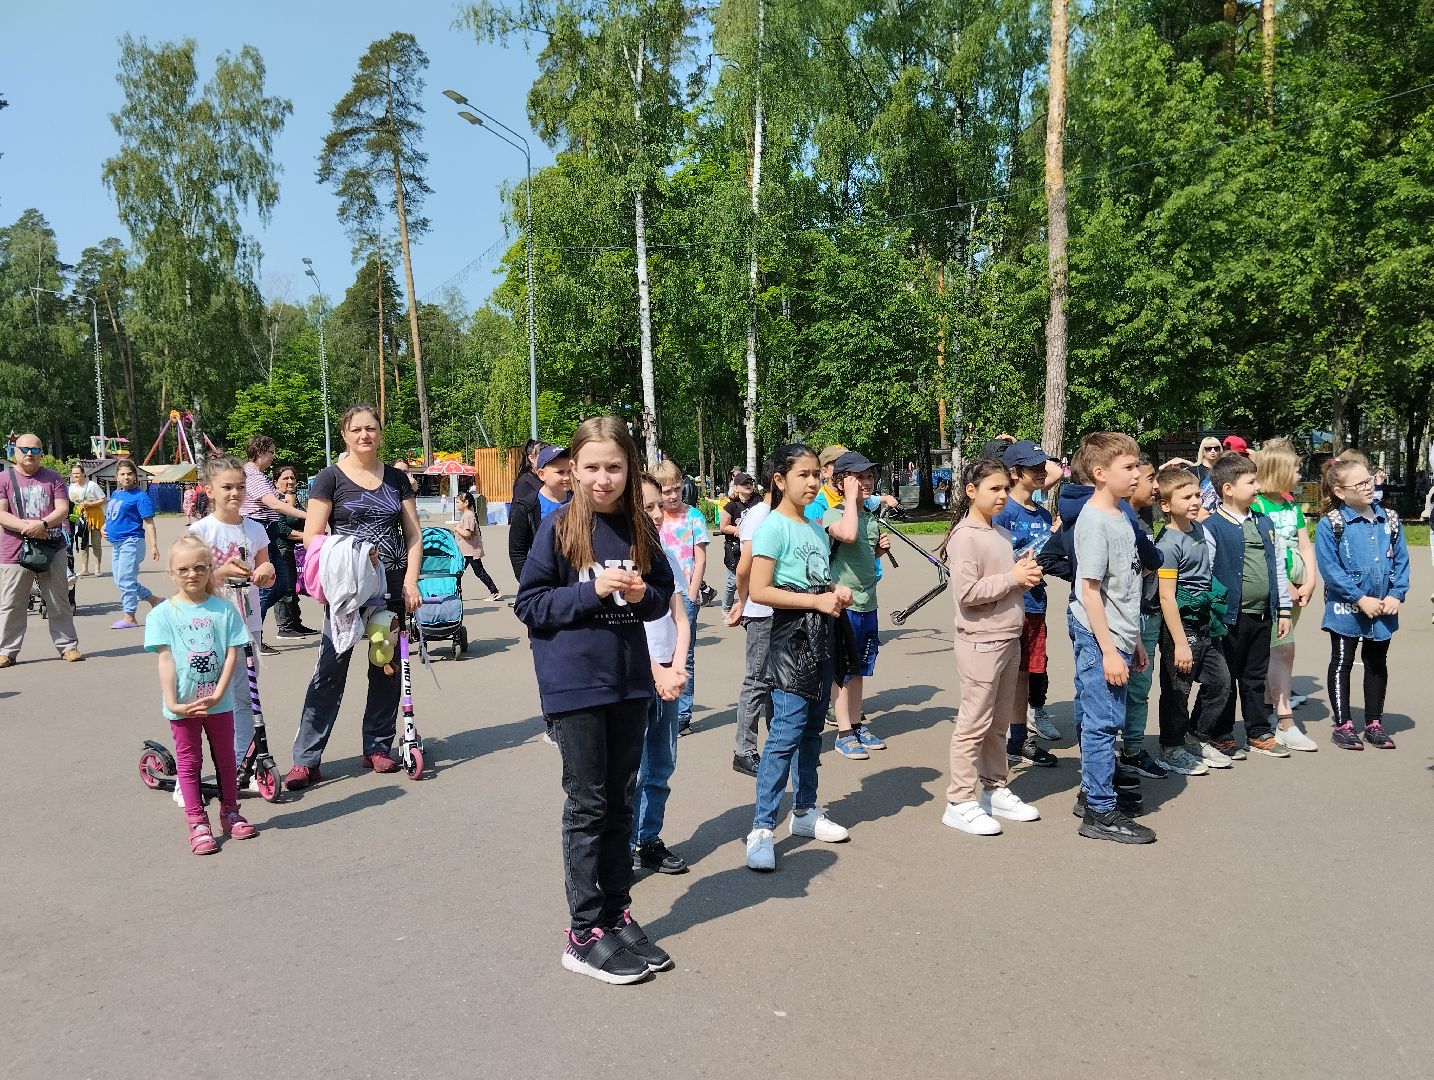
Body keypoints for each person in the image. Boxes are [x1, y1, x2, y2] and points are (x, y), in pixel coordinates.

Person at [512, 416, 677, 985]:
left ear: (630, 470)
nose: (602, 479)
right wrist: (591, 591)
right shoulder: (556, 529)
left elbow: (663, 599)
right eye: (591, 468)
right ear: (573, 472)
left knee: (622, 802)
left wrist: (641, 592)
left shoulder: (637, 528)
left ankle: (615, 912)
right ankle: (583, 933)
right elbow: (530, 605)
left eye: (614, 467)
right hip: (575, 685)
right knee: (588, 805)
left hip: (630, 683)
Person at [284, 406, 422, 791]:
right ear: (344, 434)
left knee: (386, 665)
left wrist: (410, 582)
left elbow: (414, 536)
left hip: (391, 586)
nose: (365, 435)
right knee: (330, 669)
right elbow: (312, 535)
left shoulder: (397, 480)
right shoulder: (329, 478)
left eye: (372, 428)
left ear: (381, 432)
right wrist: (358, 551)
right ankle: (307, 759)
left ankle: (377, 747)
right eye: (357, 429)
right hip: (347, 589)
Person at [744, 444, 853, 873]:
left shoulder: (812, 526)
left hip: (821, 637)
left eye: (815, 475)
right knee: (784, 734)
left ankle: (805, 812)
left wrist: (834, 595)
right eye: (803, 475)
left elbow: (818, 580)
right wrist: (815, 602)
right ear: (779, 480)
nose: (812, 482)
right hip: (791, 640)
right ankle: (761, 830)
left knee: (811, 732)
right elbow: (759, 590)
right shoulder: (773, 527)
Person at [939, 459, 1044, 836]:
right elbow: (968, 594)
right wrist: (1013, 577)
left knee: (997, 724)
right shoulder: (965, 536)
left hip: (1008, 638)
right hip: (980, 643)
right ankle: (959, 800)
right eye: (993, 489)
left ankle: (994, 788)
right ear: (971, 491)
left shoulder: (999, 532)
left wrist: (1023, 578)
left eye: (1004, 488)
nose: (1002, 495)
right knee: (973, 724)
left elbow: (1000, 583)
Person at [1067, 432, 1156, 844]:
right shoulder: (1095, 521)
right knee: (1102, 725)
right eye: (1129, 467)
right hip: (1099, 638)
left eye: (1137, 465)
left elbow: (1124, 588)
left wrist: (1133, 640)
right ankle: (1100, 813)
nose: (1137, 473)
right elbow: (1090, 591)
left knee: (1106, 722)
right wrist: (1108, 651)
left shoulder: (1122, 515)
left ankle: (1095, 794)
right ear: (1101, 474)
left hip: (1120, 634)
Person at [144, 534, 257, 854]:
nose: (192, 574)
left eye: (199, 567)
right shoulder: (162, 614)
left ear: (210, 569)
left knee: (225, 760)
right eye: (183, 569)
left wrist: (221, 691)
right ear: (171, 574)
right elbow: (165, 660)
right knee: (189, 763)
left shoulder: (223, 610)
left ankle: (230, 812)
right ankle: (196, 822)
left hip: (220, 703)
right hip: (183, 706)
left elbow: (233, 653)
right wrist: (172, 702)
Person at [1201, 451, 1293, 761]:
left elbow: (1277, 567)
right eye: (1250, 482)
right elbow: (1207, 572)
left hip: (1262, 615)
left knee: (1255, 676)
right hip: (1228, 618)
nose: (1257, 487)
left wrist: (1282, 610)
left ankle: (1257, 731)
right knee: (1226, 678)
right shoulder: (1213, 526)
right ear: (1227, 488)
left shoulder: (1264, 523)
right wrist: (1213, 614)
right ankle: (1221, 733)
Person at [1315, 458, 1409, 750]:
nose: (1369, 487)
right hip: (1346, 608)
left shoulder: (1390, 519)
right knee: (1343, 661)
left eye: (1370, 480)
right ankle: (1343, 724)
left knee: (1376, 662)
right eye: (1361, 484)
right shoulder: (1332, 523)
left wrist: (1396, 593)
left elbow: (1402, 562)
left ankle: (1374, 723)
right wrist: (1359, 597)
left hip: (1382, 606)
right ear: (1340, 492)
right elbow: (1330, 569)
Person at [189, 455, 276, 767]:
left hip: (245, 622)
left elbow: (266, 564)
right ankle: (193, 767)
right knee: (205, 699)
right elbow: (188, 581)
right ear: (210, 490)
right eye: (226, 487)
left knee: (244, 697)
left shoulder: (255, 529)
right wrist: (221, 572)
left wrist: (265, 569)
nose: (234, 493)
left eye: (240, 487)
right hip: (206, 627)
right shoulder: (200, 531)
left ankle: (241, 763)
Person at [630, 474, 692, 876]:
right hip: (634, 675)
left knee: (662, 762)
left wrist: (678, 665)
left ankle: (648, 838)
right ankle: (623, 843)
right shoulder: (618, 559)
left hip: (668, 674)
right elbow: (626, 626)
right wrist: (657, 671)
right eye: (647, 507)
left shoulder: (666, 557)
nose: (657, 514)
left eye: (658, 506)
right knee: (629, 768)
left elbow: (681, 617)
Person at [1151, 466, 1226, 775]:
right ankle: (1171, 746)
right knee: (1177, 690)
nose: (1196, 501)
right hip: (1182, 627)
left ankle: (1196, 736)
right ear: (1166, 505)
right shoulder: (1167, 544)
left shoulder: (1198, 530)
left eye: (1197, 494)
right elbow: (1167, 597)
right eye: (1187, 497)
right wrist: (1180, 643)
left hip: (1206, 622)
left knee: (1220, 682)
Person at [822, 449, 892, 759]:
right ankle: (843, 731)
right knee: (844, 672)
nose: (866, 482)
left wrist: (877, 552)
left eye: (869, 476)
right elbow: (847, 536)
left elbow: (862, 556)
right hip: (844, 607)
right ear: (840, 482)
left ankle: (857, 721)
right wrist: (849, 498)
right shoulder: (833, 514)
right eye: (858, 477)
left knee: (861, 668)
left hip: (868, 603)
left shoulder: (868, 517)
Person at [994, 440, 1061, 761]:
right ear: (1014, 473)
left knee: (1024, 673)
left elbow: (1047, 558)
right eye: (1032, 467)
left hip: (1035, 605)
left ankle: (1018, 739)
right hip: (1006, 607)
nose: (1040, 471)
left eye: (1041, 466)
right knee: (1002, 673)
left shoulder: (1045, 514)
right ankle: (994, 738)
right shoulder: (1003, 511)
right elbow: (991, 561)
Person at [1252, 442, 1319, 752]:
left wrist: (1310, 580)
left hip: (1296, 588)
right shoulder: (1258, 507)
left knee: (1279, 650)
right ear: (1278, 472)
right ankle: (1285, 720)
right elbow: (1266, 554)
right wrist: (1286, 588)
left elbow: (1305, 545)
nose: (1299, 474)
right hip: (1277, 590)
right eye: (1295, 469)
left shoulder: (1291, 504)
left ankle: (1269, 706)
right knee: (1283, 649)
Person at [0, 433, 83, 665]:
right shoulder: (4, 478)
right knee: (11, 603)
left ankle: (68, 646)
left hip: (52, 547)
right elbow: (2, 513)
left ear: (41, 453)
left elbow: (63, 509)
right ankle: (7, 651)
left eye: (35, 450)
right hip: (13, 550)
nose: (30, 454)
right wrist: (29, 527)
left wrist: (43, 524)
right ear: (14, 451)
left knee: (58, 599)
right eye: (25, 449)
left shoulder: (53, 478)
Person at [1118, 456, 1171, 780]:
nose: (1154, 486)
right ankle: (1104, 758)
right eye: (1149, 478)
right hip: (1122, 618)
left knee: (1139, 688)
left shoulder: (1145, 519)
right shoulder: (1116, 521)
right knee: (1110, 691)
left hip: (1147, 615)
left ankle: (1133, 749)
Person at [724, 454, 776, 778]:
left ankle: (777, 742)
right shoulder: (759, 516)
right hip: (761, 610)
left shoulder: (783, 514)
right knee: (757, 681)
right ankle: (743, 750)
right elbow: (744, 567)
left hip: (780, 608)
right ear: (779, 480)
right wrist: (743, 602)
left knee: (776, 680)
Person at [653, 457, 710, 737]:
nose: (672, 496)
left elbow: (700, 559)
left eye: (676, 489)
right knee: (658, 650)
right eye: (666, 491)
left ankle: (683, 713)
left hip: (684, 594)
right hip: (656, 596)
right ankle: (657, 700)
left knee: (683, 655)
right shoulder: (654, 516)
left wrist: (692, 591)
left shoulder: (693, 517)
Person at [241, 438, 310, 649]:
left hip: (265, 530)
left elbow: (278, 499)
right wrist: (311, 516)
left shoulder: (258, 476)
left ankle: (250, 631)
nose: (273, 457)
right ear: (260, 452)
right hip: (258, 528)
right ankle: (250, 636)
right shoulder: (252, 474)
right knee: (268, 587)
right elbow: (274, 505)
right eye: (271, 452)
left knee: (280, 585)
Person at [103, 459, 160, 630]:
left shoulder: (140, 497)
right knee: (120, 580)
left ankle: (130, 616)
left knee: (126, 579)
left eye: (130, 474)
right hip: (117, 543)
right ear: (117, 477)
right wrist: (105, 527)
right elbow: (112, 516)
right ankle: (154, 600)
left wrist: (154, 545)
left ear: (135, 476)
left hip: (132, 541)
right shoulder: (115, 495)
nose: (126, 477)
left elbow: (148, 522)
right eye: (122, 474)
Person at [509, 444, 573, 583]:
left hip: (575, 580)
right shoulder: (527, 506)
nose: (567, 477)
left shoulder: (580, 502)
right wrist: (527, 582)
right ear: (542, 474)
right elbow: (517, 551)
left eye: (570, 471)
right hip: (544, 579)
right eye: (560, 472)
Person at [269, 464, 313, 637]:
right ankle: (285, 627)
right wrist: (306, 536)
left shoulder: (297, 501)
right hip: (282, 549)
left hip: (297, 551)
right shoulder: (277, 502)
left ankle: (296, 623)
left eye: (292, 478)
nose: (289, 481)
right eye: (285, 478)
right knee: (284, 587)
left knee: (295, 587)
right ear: (275, 482)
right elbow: (281, 528)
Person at [718, 472, 760, 609]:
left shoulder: (758, 501)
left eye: (750, 482)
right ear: (736, 487)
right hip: (735, 549)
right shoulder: (731, 505)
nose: (748, 485)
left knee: (753, 579)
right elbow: (723, 527)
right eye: (744, 483)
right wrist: (738, 530)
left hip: (754, 546)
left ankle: (747, 607)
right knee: (732, 582)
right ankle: (726, 608)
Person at [454, 489, 503, 600]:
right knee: (458, 571)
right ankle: (456, 593)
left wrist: (457, 528)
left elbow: (467, 533)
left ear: (466, 503)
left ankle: (494, 591)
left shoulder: (468, 515)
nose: (456, 504)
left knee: (478, 571)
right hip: (466, 550)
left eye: (458, 502)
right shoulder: (467, 515)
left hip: (470, 550)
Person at [67, 463, 106, 576]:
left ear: (84, 474)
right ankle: (84, 569)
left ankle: (97, 569)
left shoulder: (92, 485)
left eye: (78, 473)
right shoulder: (71, 488)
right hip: (81, 518)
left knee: (96, 543)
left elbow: (103, 499)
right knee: (82, 543)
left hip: (95, 517)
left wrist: (90, 504)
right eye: (73, 473)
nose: (75, 475)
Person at [511, 439, 546, 505]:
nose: (547, 458)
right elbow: (517, 511)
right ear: (531, 458)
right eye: (542, 454)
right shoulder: (524, 482)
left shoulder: (547, 476)